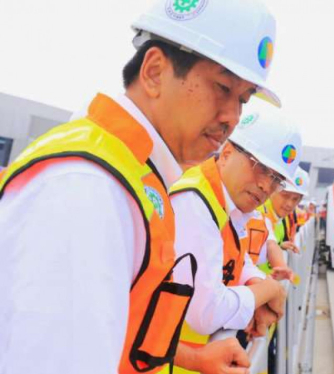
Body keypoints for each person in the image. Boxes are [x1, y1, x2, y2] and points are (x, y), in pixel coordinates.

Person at [0, 0, 280, 373]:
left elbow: (119, 326)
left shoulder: (136, 174)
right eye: (222, 87)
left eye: (242, 100)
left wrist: (194, 358)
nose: (232, 118)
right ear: (153, 72)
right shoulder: (88, 189)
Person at [168, 113, 301, 373]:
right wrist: (269, 291)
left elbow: (239, 259)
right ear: (227, 153)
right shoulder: (195, 203)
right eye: (259, 167)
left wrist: (255, 282)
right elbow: (206, 314)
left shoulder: (229, 206)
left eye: (276, 179)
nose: (266, 185)